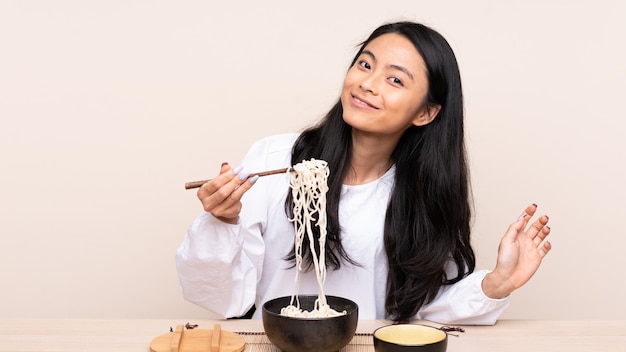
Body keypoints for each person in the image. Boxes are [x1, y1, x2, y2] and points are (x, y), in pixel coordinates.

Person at [176, 21, 552, 324]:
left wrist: (496, 283)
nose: (367, 83)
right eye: (365, 64)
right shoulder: (277, 156)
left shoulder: (421, 195)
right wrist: (222, 220)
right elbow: (220, 297)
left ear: (426, 113)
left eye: (395, 80)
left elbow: (421, 307)